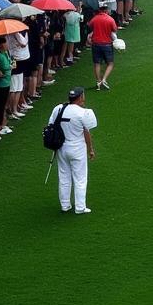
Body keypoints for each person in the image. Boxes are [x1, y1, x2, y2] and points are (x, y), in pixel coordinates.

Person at [50, 86, 97, 214]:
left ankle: (65, 205)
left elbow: (51, 125)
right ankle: (80, 207)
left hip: (61, 148)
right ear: (80, 97)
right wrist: (90, 149)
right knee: (80, 178)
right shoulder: (83, 113)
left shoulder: (58, 109)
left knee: (64, 177)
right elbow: (87, 133)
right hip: (77, 149)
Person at [87, 2, 118, 91]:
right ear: (106, 10)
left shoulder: (94, 19)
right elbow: (115, 29)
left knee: (97, 63)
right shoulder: (110, 19)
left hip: (96, 44)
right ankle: (104, 80)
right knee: (110, 63)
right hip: (107, 44)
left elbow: (90, 26)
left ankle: (98, 81)